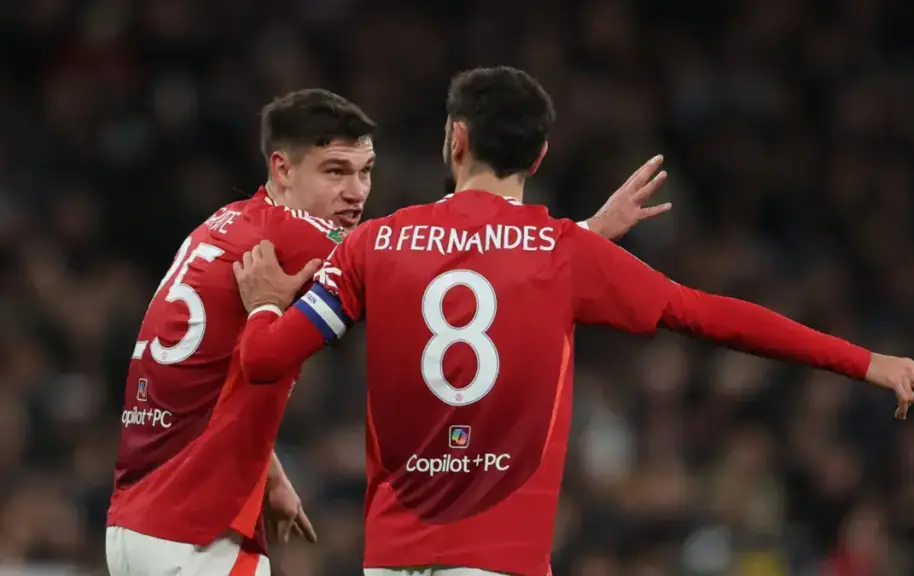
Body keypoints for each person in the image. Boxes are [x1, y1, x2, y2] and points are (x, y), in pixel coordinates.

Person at [230, 66, 914, 576]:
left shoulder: (374, 244)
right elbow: (707, 315)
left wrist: (263, 301)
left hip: (391, 560)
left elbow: (264, 359)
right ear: (541, 154)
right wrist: (865, 360)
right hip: (502, 562)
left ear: (455, 140)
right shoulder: (559, 252)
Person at [105, 87, 670, 576]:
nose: (356, 192)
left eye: (365, 171)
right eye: (335, 172)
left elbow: (204, 379)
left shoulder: (221, 226)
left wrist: (266, 472)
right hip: (194, 534)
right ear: (282, 169)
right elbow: (443, 264)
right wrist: (589, 235)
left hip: (135, 526)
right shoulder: (302, 239)